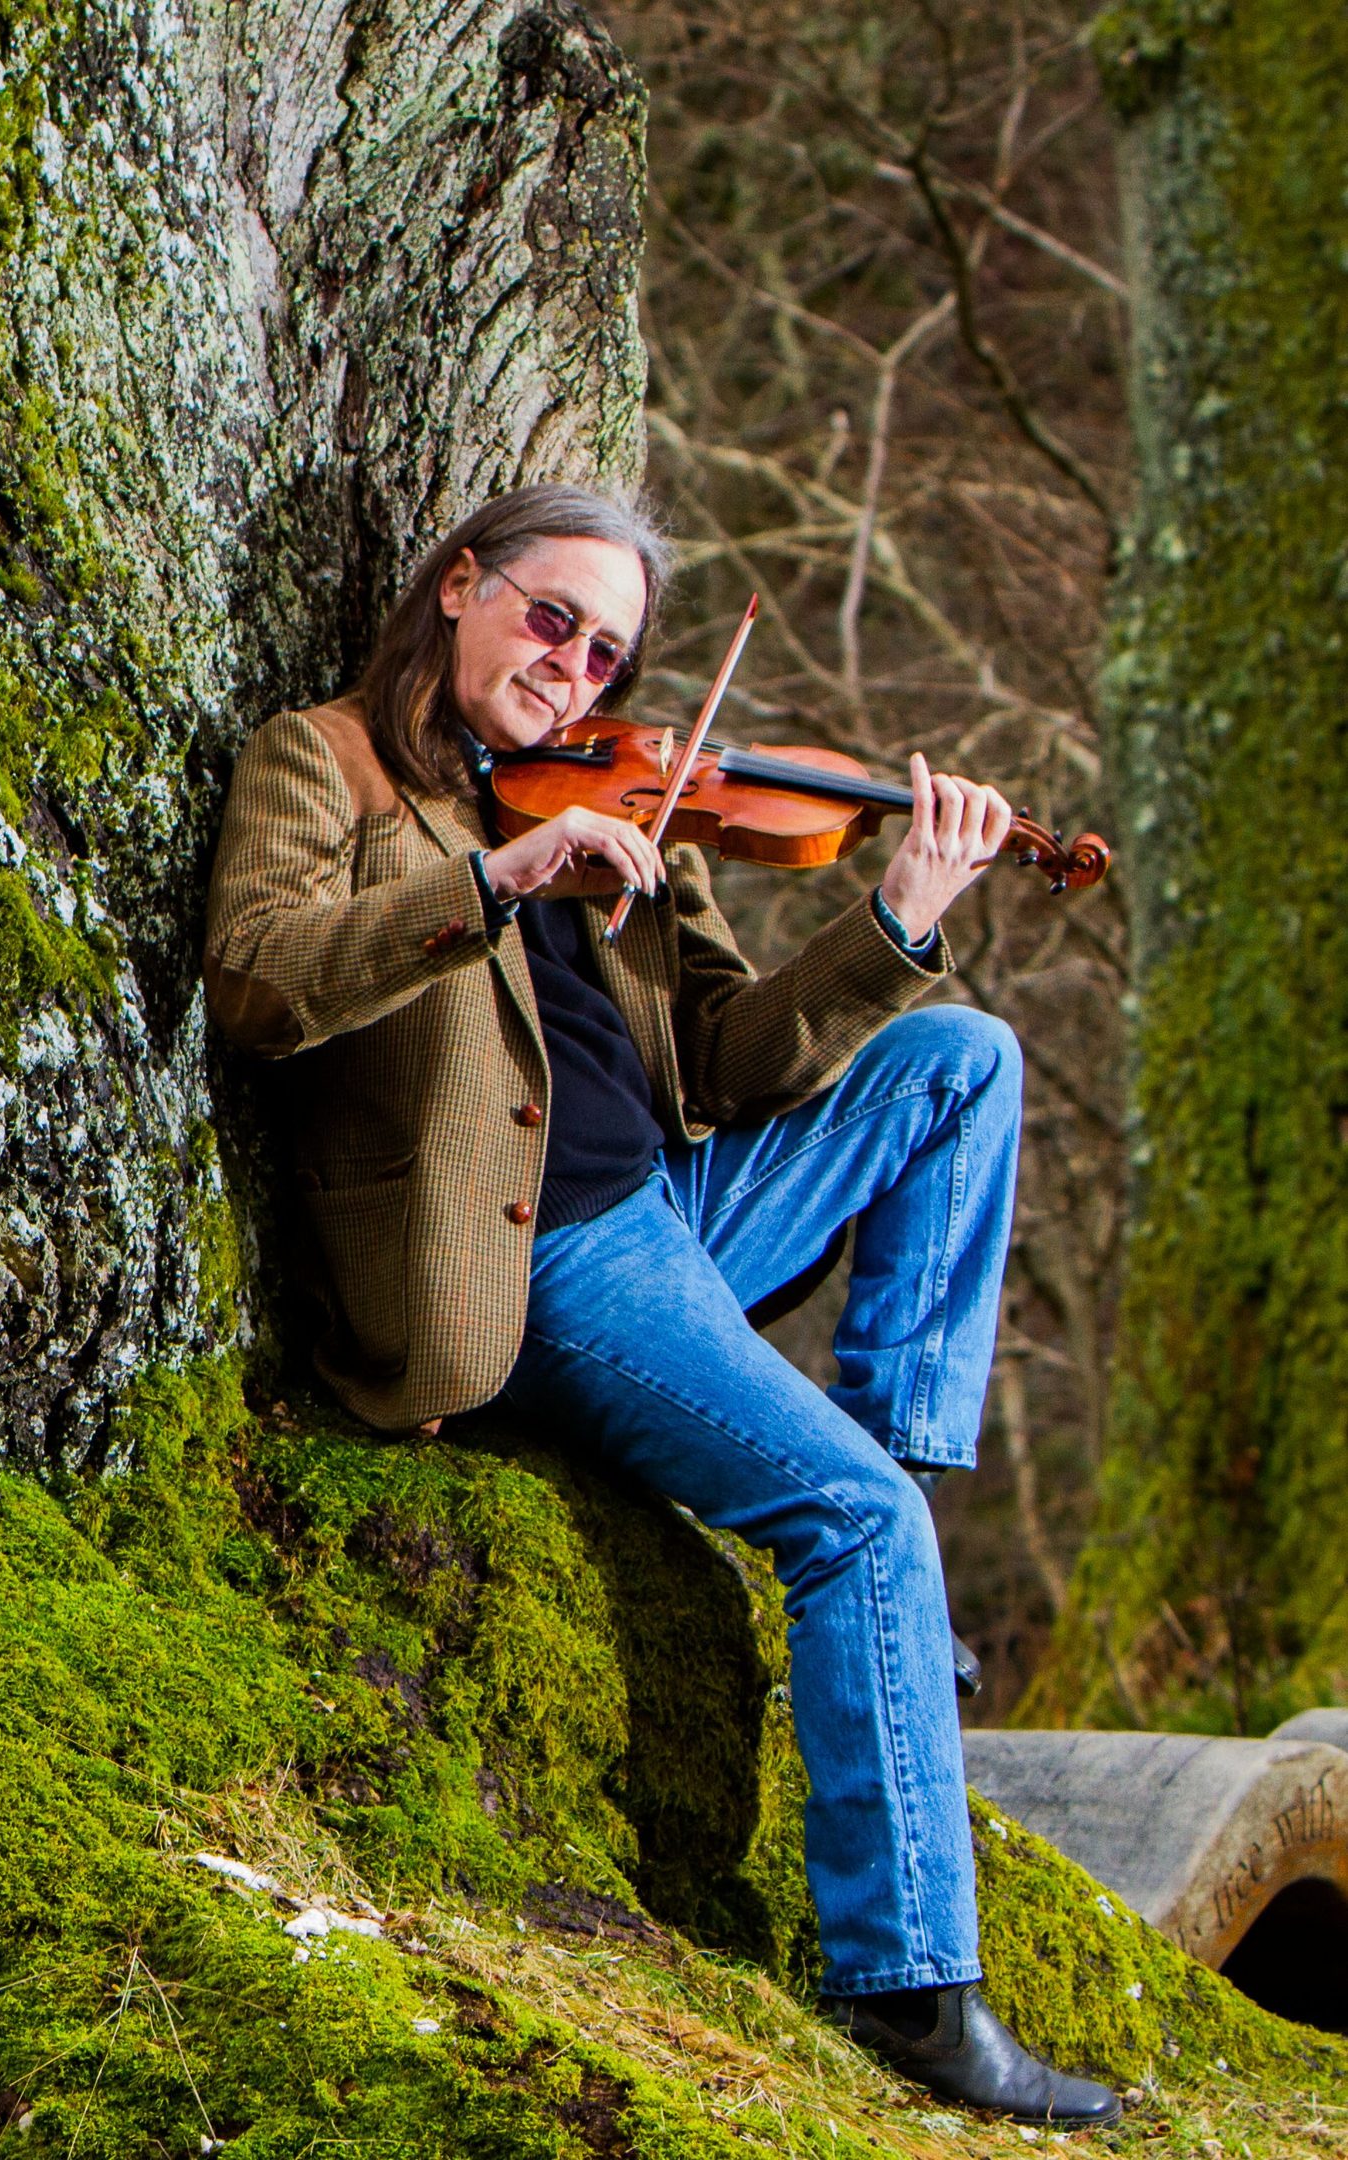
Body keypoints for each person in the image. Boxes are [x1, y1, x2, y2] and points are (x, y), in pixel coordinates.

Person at [202, 482, 1118, 2128]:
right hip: (537, 1249)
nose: (573, 670)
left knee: (960, 1054)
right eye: (550, 621)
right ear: (461, 586)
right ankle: (913, 1991)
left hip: (678, 1207)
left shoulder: (633, 795)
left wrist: (897, 914)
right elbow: (259, 985)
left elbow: (732, 1066)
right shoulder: (322, 762)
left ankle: (902, 1449)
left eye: (609, 651)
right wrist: (494, 881)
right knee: (845, 1530)